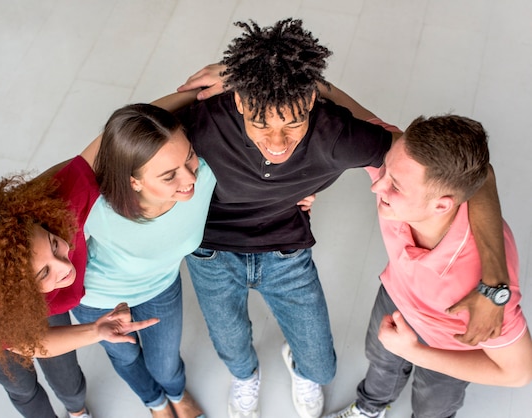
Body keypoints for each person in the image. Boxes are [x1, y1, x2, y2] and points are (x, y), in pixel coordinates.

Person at [159, 18, 511, 418]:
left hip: (286, 249)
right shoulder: (202, 123)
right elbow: (125, 135)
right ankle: (245, 377)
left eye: (292, 122)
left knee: (322, 365)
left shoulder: (338, 135)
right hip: (211, 251)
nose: (277, 143)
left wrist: (495, 284)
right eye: (259, 123)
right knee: (231, 343)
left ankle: (300, 367)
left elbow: (473, 173)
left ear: (310, 101)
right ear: (239, 102)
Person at [322, 114, 532, 418]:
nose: (376, 187)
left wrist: (415, 352)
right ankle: (370, 407)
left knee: (433, 404)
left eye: (395, 185)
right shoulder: (402, 167)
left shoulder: (481, 286)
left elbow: (519, 373)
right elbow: (333, 103)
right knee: (380, 362)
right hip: (396, 298)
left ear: (442, 205)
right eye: (385, 172)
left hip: (449, 346)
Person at [0, 168, 159, 418]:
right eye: (44, 273)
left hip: (34, 297)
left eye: (54, 245)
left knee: (66, 375)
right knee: (22, 387)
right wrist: (94, 331)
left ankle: (78, 411)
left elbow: (105, 150)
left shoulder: (54, 210)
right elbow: (30, 346)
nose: (66, 266)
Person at [71, 104, 216, 418]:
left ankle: (176, 392)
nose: (190, 176)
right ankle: (156, 403)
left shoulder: (205, 176)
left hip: (161, 287)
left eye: (188, 156)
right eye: (169, 175)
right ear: (133, 181)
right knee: (125, 357)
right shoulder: (96, 208)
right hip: (98, 298)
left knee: (165, 363)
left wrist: (302, 193)